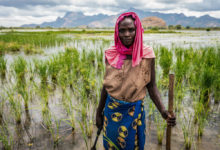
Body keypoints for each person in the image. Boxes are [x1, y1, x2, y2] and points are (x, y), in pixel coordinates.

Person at [96, 12, 176, 150]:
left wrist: (163, 111)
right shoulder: (111, 53)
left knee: (134, 146)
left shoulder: (147, 54)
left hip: (134, 112)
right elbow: (106, 85)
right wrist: (98, 112)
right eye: (122, 30)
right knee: (111, 146)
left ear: (137, 30)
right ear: (117, 32)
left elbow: (151, 86)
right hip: (112, 110)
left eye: (131, 30)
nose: (126, 34)